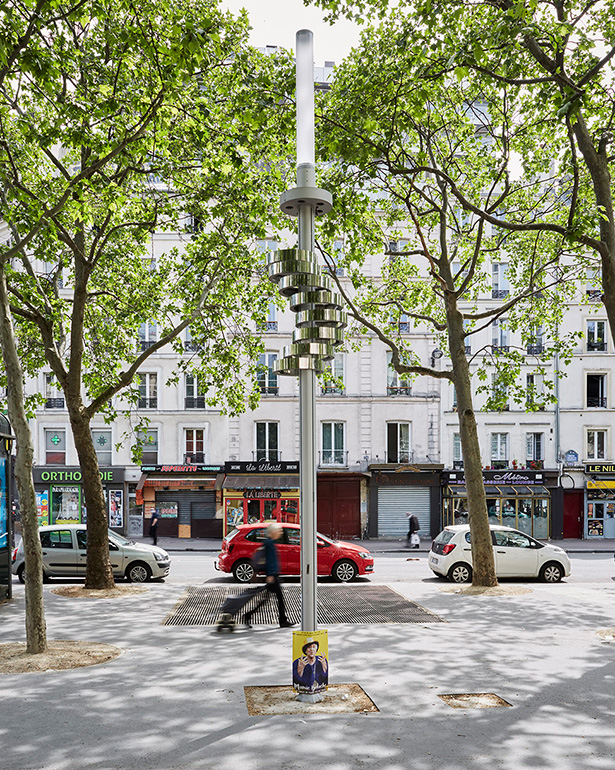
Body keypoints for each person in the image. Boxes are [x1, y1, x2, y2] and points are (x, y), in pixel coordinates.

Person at [244, 522, 295, 629]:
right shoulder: (269, 544)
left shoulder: (269, 542)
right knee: (279, 599)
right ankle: (283, 620)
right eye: (279, 531)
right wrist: (271, 574)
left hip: (273, 575)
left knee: (266, 599)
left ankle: (248, 615)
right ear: (273, 532)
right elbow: (270, 561)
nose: (280, 533)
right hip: (272, 576)